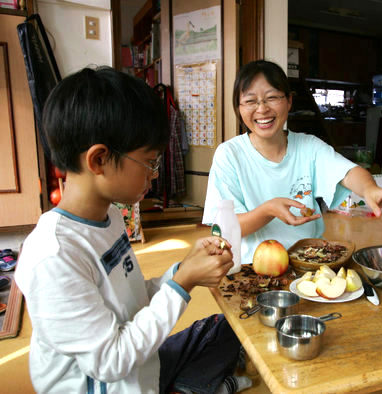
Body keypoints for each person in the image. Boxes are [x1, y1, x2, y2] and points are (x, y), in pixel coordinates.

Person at [15, 67, 251, 394]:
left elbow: (134, 303)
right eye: (150, 163)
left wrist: (183, 271)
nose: (154, 175)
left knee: (231, 327)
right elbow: (111, 361)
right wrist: (182, 284)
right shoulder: (54, 258)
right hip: (114, 380)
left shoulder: (109, 216)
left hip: (142, 368)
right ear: (99, 160)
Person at [203, 60, 382, 264]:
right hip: (253, 267)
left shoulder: (309, 147)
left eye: (272, 97)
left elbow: (348, 172)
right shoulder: (229, 155)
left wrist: (370, 188)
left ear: (289, 101)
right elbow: (226, 229)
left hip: (310, 260)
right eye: (250, 101)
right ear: (238, 107)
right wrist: (268, 210)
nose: (262, 109)